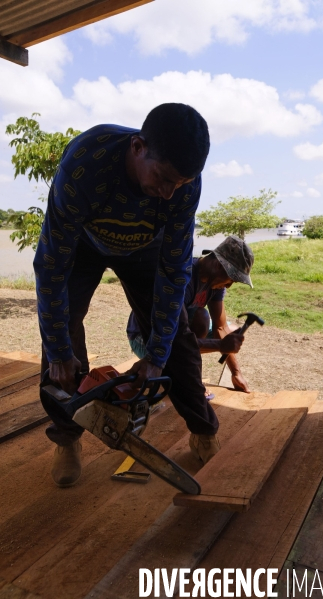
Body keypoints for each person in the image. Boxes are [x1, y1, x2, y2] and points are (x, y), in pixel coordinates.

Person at [34, 103, 223, 488]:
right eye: (164, 178)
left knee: (178, 336)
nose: (170, 193)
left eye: (181, 185)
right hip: (83, 245)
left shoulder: (185, 184)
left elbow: (174, 274)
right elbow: (51, 266)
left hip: (145, 248)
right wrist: (57, 351)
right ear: (137, 147)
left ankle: (203, 429)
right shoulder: (85, 163)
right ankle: (67, 441)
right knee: (62, 329)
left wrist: (154, 358)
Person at [127, 236, 254, 393]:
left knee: (230, 329)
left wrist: (236, 373)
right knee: (201, 317)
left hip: (176, 334)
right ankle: (186, 376)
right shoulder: (182, 278)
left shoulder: (216, 286)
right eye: (232, 278)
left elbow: (221, 329)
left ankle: (184, 371)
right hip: (148, 338)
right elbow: (177, 339)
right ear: (218, 265)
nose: (230, 284)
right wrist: (195, 379)